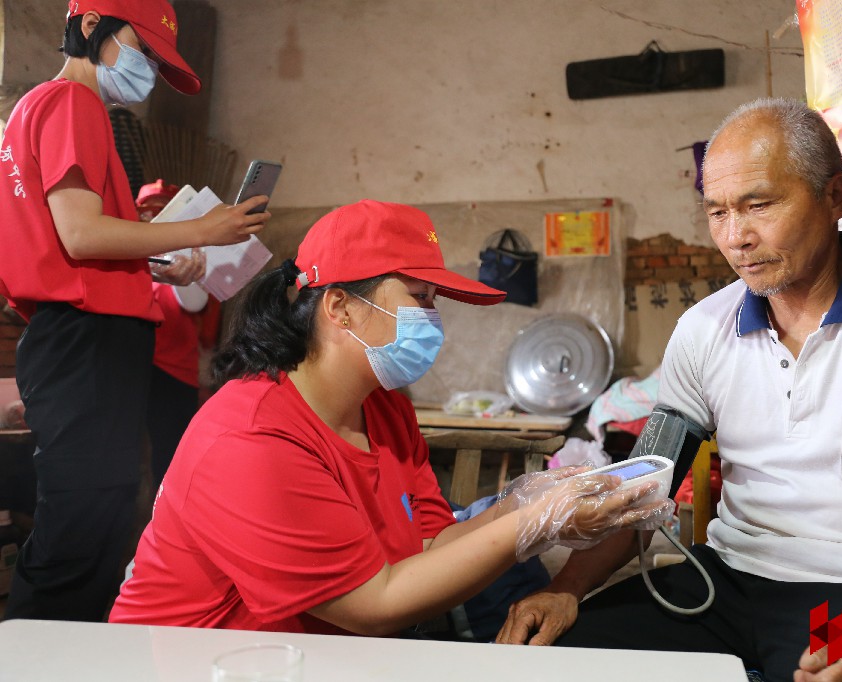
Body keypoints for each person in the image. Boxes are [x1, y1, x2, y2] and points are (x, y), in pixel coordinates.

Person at [496, 98, 842, 682]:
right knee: (563, 662)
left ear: (835, 197)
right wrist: (566, 589)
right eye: (717, 212)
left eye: (758, 205)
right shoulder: (703, 330)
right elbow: (644, 483)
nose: (735, 237)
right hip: (727, 580)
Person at [108, 200, 674, 634]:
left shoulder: (385, 409)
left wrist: (528, 503)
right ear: (340, 306)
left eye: (435, 301)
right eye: (419, 297)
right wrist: (530, 524)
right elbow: (372, 605)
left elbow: (428, 547)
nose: (433, 319)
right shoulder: (253, 436)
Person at [0, 0, 269, 622]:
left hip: (75, 337)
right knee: (80, 532)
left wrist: (153, 264)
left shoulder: (36, 107)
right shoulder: (74, 103)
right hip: (85, 342)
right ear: (91, 25)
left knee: (93, 520)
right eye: (142, 48)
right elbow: (82, 236)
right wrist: (201, 228)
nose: (146, 68)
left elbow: (66, 245)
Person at [136, 179, 213, 486]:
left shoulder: (184, 260)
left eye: (160, 212)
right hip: (134, 366)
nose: (152, 220)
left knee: (170, 457)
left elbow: (196, 303)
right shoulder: (128, 258)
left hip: (175, 371)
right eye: (146, 214)